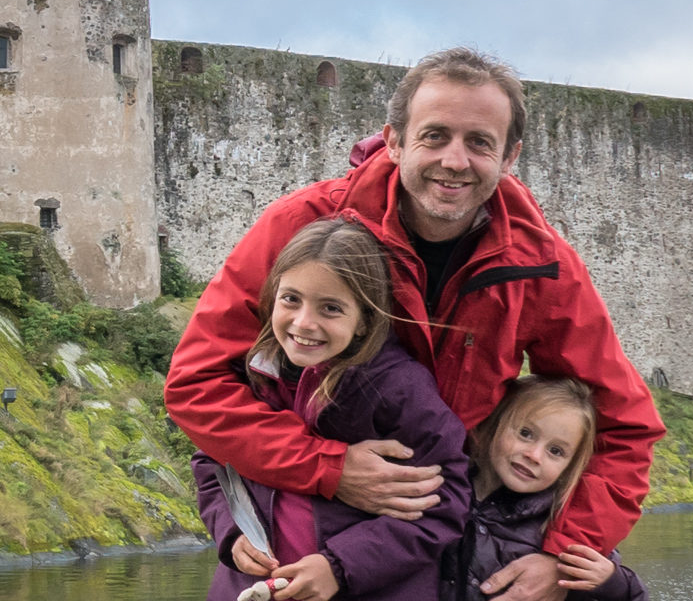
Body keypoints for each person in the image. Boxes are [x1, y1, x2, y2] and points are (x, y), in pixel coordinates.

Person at [164, 48, 665, 601]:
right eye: (435, 136)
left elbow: (623, 425)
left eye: (480, 142)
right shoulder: (306, 226)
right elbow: (198, 385)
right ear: (396, 140)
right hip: (289, 546)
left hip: (436, 548)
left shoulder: (541, 265)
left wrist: (560, 553)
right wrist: (327, 467)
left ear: (510, 155)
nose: (455, 160)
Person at [193, 216, 469, 601]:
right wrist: (232, 534)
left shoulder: (398, 388)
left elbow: (445, 501)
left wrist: (338, 566)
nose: (304, 323)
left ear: (363, 321)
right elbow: (212, 462)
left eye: (331, 309)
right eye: (291, 299)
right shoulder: (251, 375)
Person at [449, 377, 647, 601]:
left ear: (569, 467)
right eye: (525, 433)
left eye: (555, 451)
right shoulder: (444, 490)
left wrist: (611, 583)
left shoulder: (565, 528)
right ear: (494, 425)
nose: (534, 455)